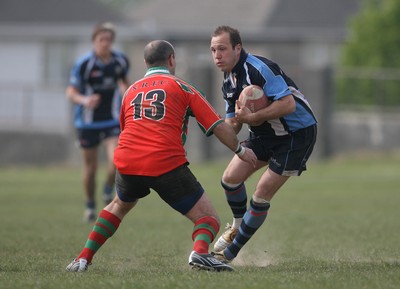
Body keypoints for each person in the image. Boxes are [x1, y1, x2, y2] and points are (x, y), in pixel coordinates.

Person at [66, 40, 257, 272]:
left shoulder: (130, 91)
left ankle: (83, 258)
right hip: (165, 163)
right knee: (208, 219)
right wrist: (241, 150)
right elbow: (218, 126)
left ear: (146, 62)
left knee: (117, 206)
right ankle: (199, 253)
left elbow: (126, 128)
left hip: (127, 162)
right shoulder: (183, 87)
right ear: (172, 60)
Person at [209, 26, 317, 263]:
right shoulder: (228, 80)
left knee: (260, 194)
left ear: (238, 48)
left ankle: (228, 255)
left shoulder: (259, 69)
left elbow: (288, 105)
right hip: (264, 134)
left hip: (295, 135)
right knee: (230, 179)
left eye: (222, 49)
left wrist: (253, 118)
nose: (217, 55)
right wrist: (216, 125)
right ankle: (237, 226)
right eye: (213, 50)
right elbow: (234, 124)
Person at [66, 22, 130, 222]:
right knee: (91, 169)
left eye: (109, 40)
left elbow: (124, 82)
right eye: (101, 40)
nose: (105, 43)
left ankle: (107, 190)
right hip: (87, 123)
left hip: (112, 120)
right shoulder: (84, 64)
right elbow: (71, 92)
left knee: (116, 161)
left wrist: (127, 94)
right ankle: (90, 206)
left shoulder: (120, 60)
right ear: (94, 41)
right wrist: (85, 100)